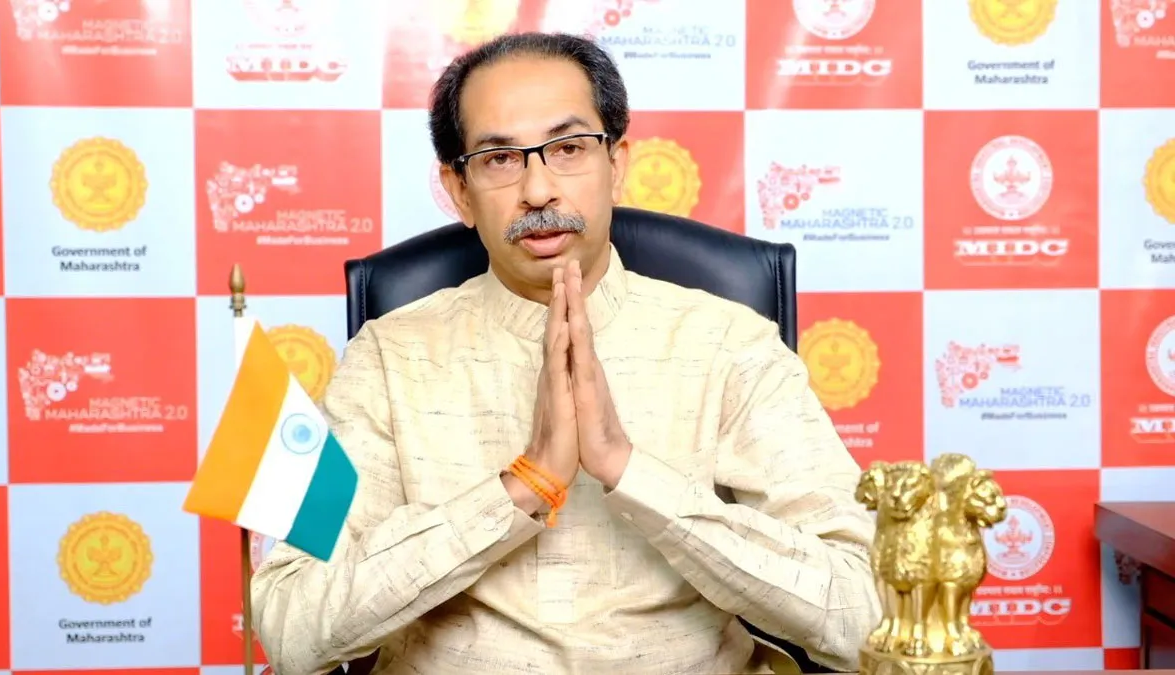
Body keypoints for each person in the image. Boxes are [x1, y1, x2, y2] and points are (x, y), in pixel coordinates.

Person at [251, 32, 880, 675]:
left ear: (618, 164)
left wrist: (634, 474)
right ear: (459, 190)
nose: (538, 189)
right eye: (499, 158)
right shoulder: (385, 356)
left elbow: (863, 612)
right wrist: (521, 489)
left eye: (569, 148)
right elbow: (289, 623)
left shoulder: (733, 342)